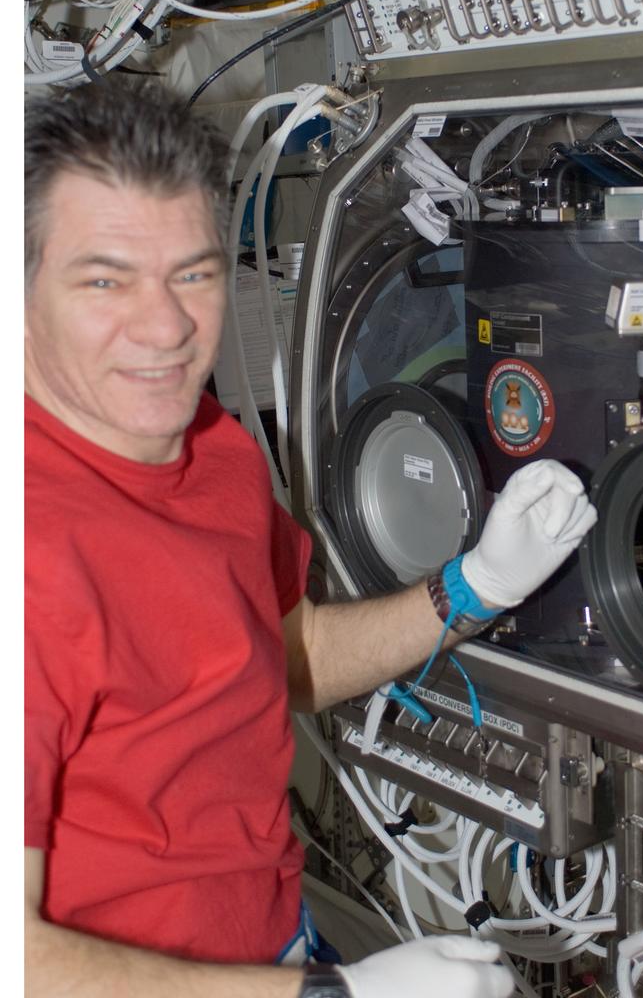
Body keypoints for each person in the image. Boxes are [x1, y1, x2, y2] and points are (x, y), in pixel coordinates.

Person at [24, 82, 598, 998]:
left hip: (271, 950)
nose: (167, 326)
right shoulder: (30, 559)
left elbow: (286, 657)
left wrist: (476, 586)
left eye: (195, 273)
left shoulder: (213, 456)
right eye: (105, 279)